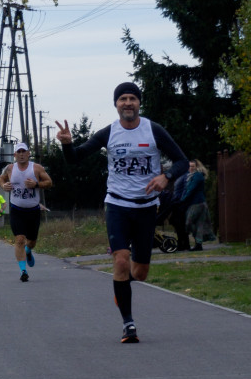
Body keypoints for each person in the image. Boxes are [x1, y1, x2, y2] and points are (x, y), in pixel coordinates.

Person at [55, 82, 188, 343]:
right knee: (120, 260)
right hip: (116, 204)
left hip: (146, 207)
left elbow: (182, 161)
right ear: (116, 105)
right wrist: (68, 145)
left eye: (132, 99)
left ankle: (121, 282)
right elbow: (75, 158)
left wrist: (166, 177)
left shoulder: (153, 130)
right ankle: (129, 325)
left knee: (139, 273)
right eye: (123, 99)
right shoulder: (109, 133)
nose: (128, 103)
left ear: (139, 103)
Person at [0, 142, 53, 282]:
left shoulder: (36, 168)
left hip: (33, 211)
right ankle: (23, 271)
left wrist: (36, 184)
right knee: (19, 240)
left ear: (29, 153)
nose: (22, 154)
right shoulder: (10, 168)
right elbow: (1, 178)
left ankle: (28, 251)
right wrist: (3, 185)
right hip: (16, 210)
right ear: (15, 155)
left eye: (24, 151)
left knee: (32, 242)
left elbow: (49, 182)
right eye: (19, 152)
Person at [181, 159, 216, 251]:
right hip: (199, 203)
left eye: (192, 166)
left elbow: (191, 189)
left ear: (196, 167)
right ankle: (198, 244)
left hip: (197, 203)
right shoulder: (192, 176)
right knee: (199, 224)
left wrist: (182, 200)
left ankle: (198, 241)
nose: (190, 168)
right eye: (189, 166)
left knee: (189, 222)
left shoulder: (197, 176)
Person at [169, 170, 190, 251]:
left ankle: (184, 243)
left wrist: (181, 200)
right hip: (177, 202)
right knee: (178, 224)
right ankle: (183, 243)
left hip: (179, 203)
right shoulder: (180, 175)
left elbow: (185, 188)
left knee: (180, 224)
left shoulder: (185, 175)